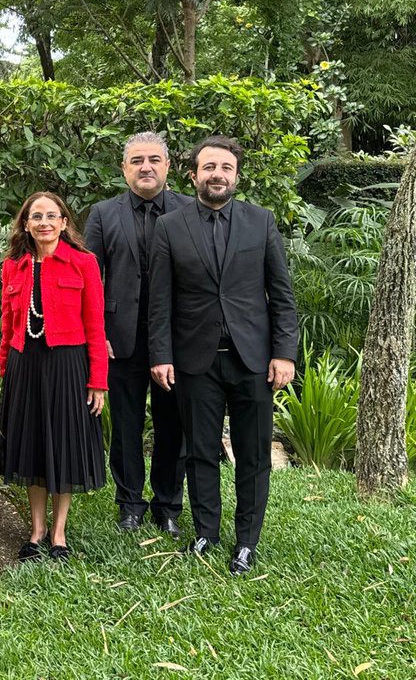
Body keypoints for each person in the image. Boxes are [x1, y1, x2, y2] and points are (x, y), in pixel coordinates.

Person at [148, 135, 297, 575]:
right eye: (209, 167)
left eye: (226, 167)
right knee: (199, 452)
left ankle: (247, 540)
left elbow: (283, 296)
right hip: (195, 361)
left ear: (236, 175)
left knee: (253, 455)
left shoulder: (261, 222)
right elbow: (160, 301)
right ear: (193, 174)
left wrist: (284, 353)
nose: (218, 174)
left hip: (254, 360)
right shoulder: (170, 227)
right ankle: (207, 533)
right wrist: (161, 354)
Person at [84, 132, 189, 537]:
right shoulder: (103, 214)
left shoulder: (188, 210)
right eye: (137, 161)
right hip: (120, 338)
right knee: (126, 427)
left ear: (167, 167)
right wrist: (99, 333)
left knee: (172, 425)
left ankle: (167, 506)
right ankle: (129, 503)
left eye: (154, 160)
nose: (146, 167)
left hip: (176, 340)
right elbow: (90, 279)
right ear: (124, 168)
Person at [0, 191, 107, 562]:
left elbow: (95, 324)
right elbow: (8, 323)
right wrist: (5, 371)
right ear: (26, 224)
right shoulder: (14, 266)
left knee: (62, 443)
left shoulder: (83, 263)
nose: (44, 222)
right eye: (36, 216)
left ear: (63, 222)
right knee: (32, 445)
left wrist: (98, 380)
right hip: (25, 365)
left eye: (51, 216)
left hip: (68, 365)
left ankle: (59, 534)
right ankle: (37, 529)